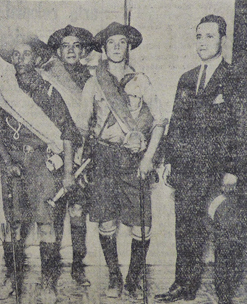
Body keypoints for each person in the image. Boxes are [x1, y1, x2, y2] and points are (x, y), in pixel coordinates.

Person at [0, 33, 81, 303]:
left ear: (37, 58)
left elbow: (67, 132)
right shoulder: (4, 92)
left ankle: (48, 283)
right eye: (15, 55)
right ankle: (12, 278)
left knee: (46, 224)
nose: (20, 59)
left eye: (26, 54)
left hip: (42, 164)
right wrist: (7, 162)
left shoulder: (51, 91)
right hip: (13, 164)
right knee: (13, 224)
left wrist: (66, 172)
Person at [155, 15, 237, 302]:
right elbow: (176, 122)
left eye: (209, 37)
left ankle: (225, 292)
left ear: (222, 40)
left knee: (222, 231)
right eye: (199, 36)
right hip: (187, 169)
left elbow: (241, 127)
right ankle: (184, 286)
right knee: (186, 228)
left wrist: (232, 170)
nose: (202, 42)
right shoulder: (187, 78)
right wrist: (168, 160)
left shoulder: (234, 77)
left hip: (218, 172)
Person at [82, 22, 167, 300]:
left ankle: (133, 279)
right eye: (111, 43)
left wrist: (148, 158)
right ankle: (114, 277)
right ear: (104, 49)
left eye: (122, 42)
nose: (117, 47)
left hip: (133, 161)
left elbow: (159, 122)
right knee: (106, 222)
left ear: (128, 46)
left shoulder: (141, 80)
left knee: (141, 225)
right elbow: (83, 127)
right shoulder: (94, 82)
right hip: (104, 159)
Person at [43, 24, 94, 287]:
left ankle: (77, 267)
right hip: (55, 152)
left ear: (83, 50)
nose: (71, 50)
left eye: (76, 46)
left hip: (82, 155)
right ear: (58, 51)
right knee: (53, 215)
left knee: (77, 211)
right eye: (65, 46)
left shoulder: (93, 79)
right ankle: (51, 271)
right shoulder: (47, 77)